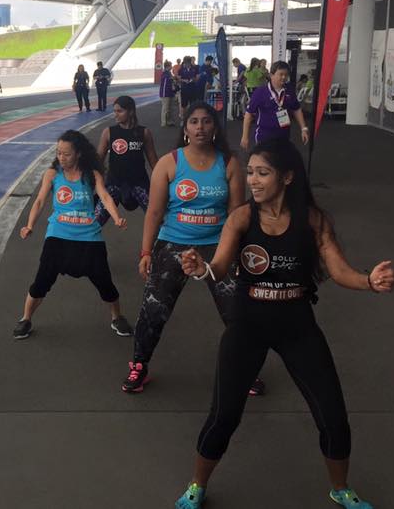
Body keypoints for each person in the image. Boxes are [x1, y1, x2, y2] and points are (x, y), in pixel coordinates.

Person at [173, 138, 394, 509]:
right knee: (224, 415)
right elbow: (220, 266)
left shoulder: (313, 219)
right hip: (248, 325)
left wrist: (369, 281)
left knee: (333, 415)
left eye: (263, 173)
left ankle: (341, 489)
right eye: (250, 172)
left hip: (297, 326)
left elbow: (339, 270)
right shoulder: (242, 218)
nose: (253, 180)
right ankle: (197, 485)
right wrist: (202, 269)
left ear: (287, 177)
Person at [122, 102, 251, 394]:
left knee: (236, 311)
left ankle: (246, 369)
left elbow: (236, 214)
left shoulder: (229, 164)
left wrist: (237, 253)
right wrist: (146, 252)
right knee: (154, 309)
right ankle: (139, 365)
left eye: (206, 121)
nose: (200, 127)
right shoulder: (169, 163)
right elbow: (155, 212)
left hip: (217, 245)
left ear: (215, 127)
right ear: (185, 127)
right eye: (194, 121)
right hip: (173, 243)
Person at [13, 130, 129, 340]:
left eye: (66, 154)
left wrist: (116, 217)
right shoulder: (52, 174)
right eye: (58, 153)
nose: (61, 157)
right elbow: (39, 201)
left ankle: (117, 317)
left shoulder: (92, 175)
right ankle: (25, 319)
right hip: (58, 235)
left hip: (89, 237)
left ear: (78, 154)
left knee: (105, 283)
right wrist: (29, 225)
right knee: (41, 281)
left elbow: (105, 196)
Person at [95, 96, 159, 229]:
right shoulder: (109, 132)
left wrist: (166, 185)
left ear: (131, 112)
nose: (115, 115)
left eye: (120, 111)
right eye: (114, 111)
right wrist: (95, 183)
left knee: (158, 218)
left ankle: (163, 241)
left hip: (139, 184)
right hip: (114, 184)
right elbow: (97, 161)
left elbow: (154, 163)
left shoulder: (144, 133)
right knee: (94, 222)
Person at [242, 60, 310, 151]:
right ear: (271, 75)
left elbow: (296, 109)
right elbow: (248, 114)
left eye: (286, 75)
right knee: (265, 159)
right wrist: (245, 136)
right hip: (264, 136)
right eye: (281, 74)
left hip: (284, 135)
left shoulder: (289, 90)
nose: (284, 77)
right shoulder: (260, 92)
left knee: (281, 158)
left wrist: (303, 128)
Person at [159, 61, 178, 127]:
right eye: (170, 65)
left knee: (170, 108)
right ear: (167, 66)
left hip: (170, 93)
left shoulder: (169, 73)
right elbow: (165, 85)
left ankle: (169, 121)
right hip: (165, 94)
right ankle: (164, 122)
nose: (171, 67)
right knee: (165, 108)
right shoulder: (165, 74)